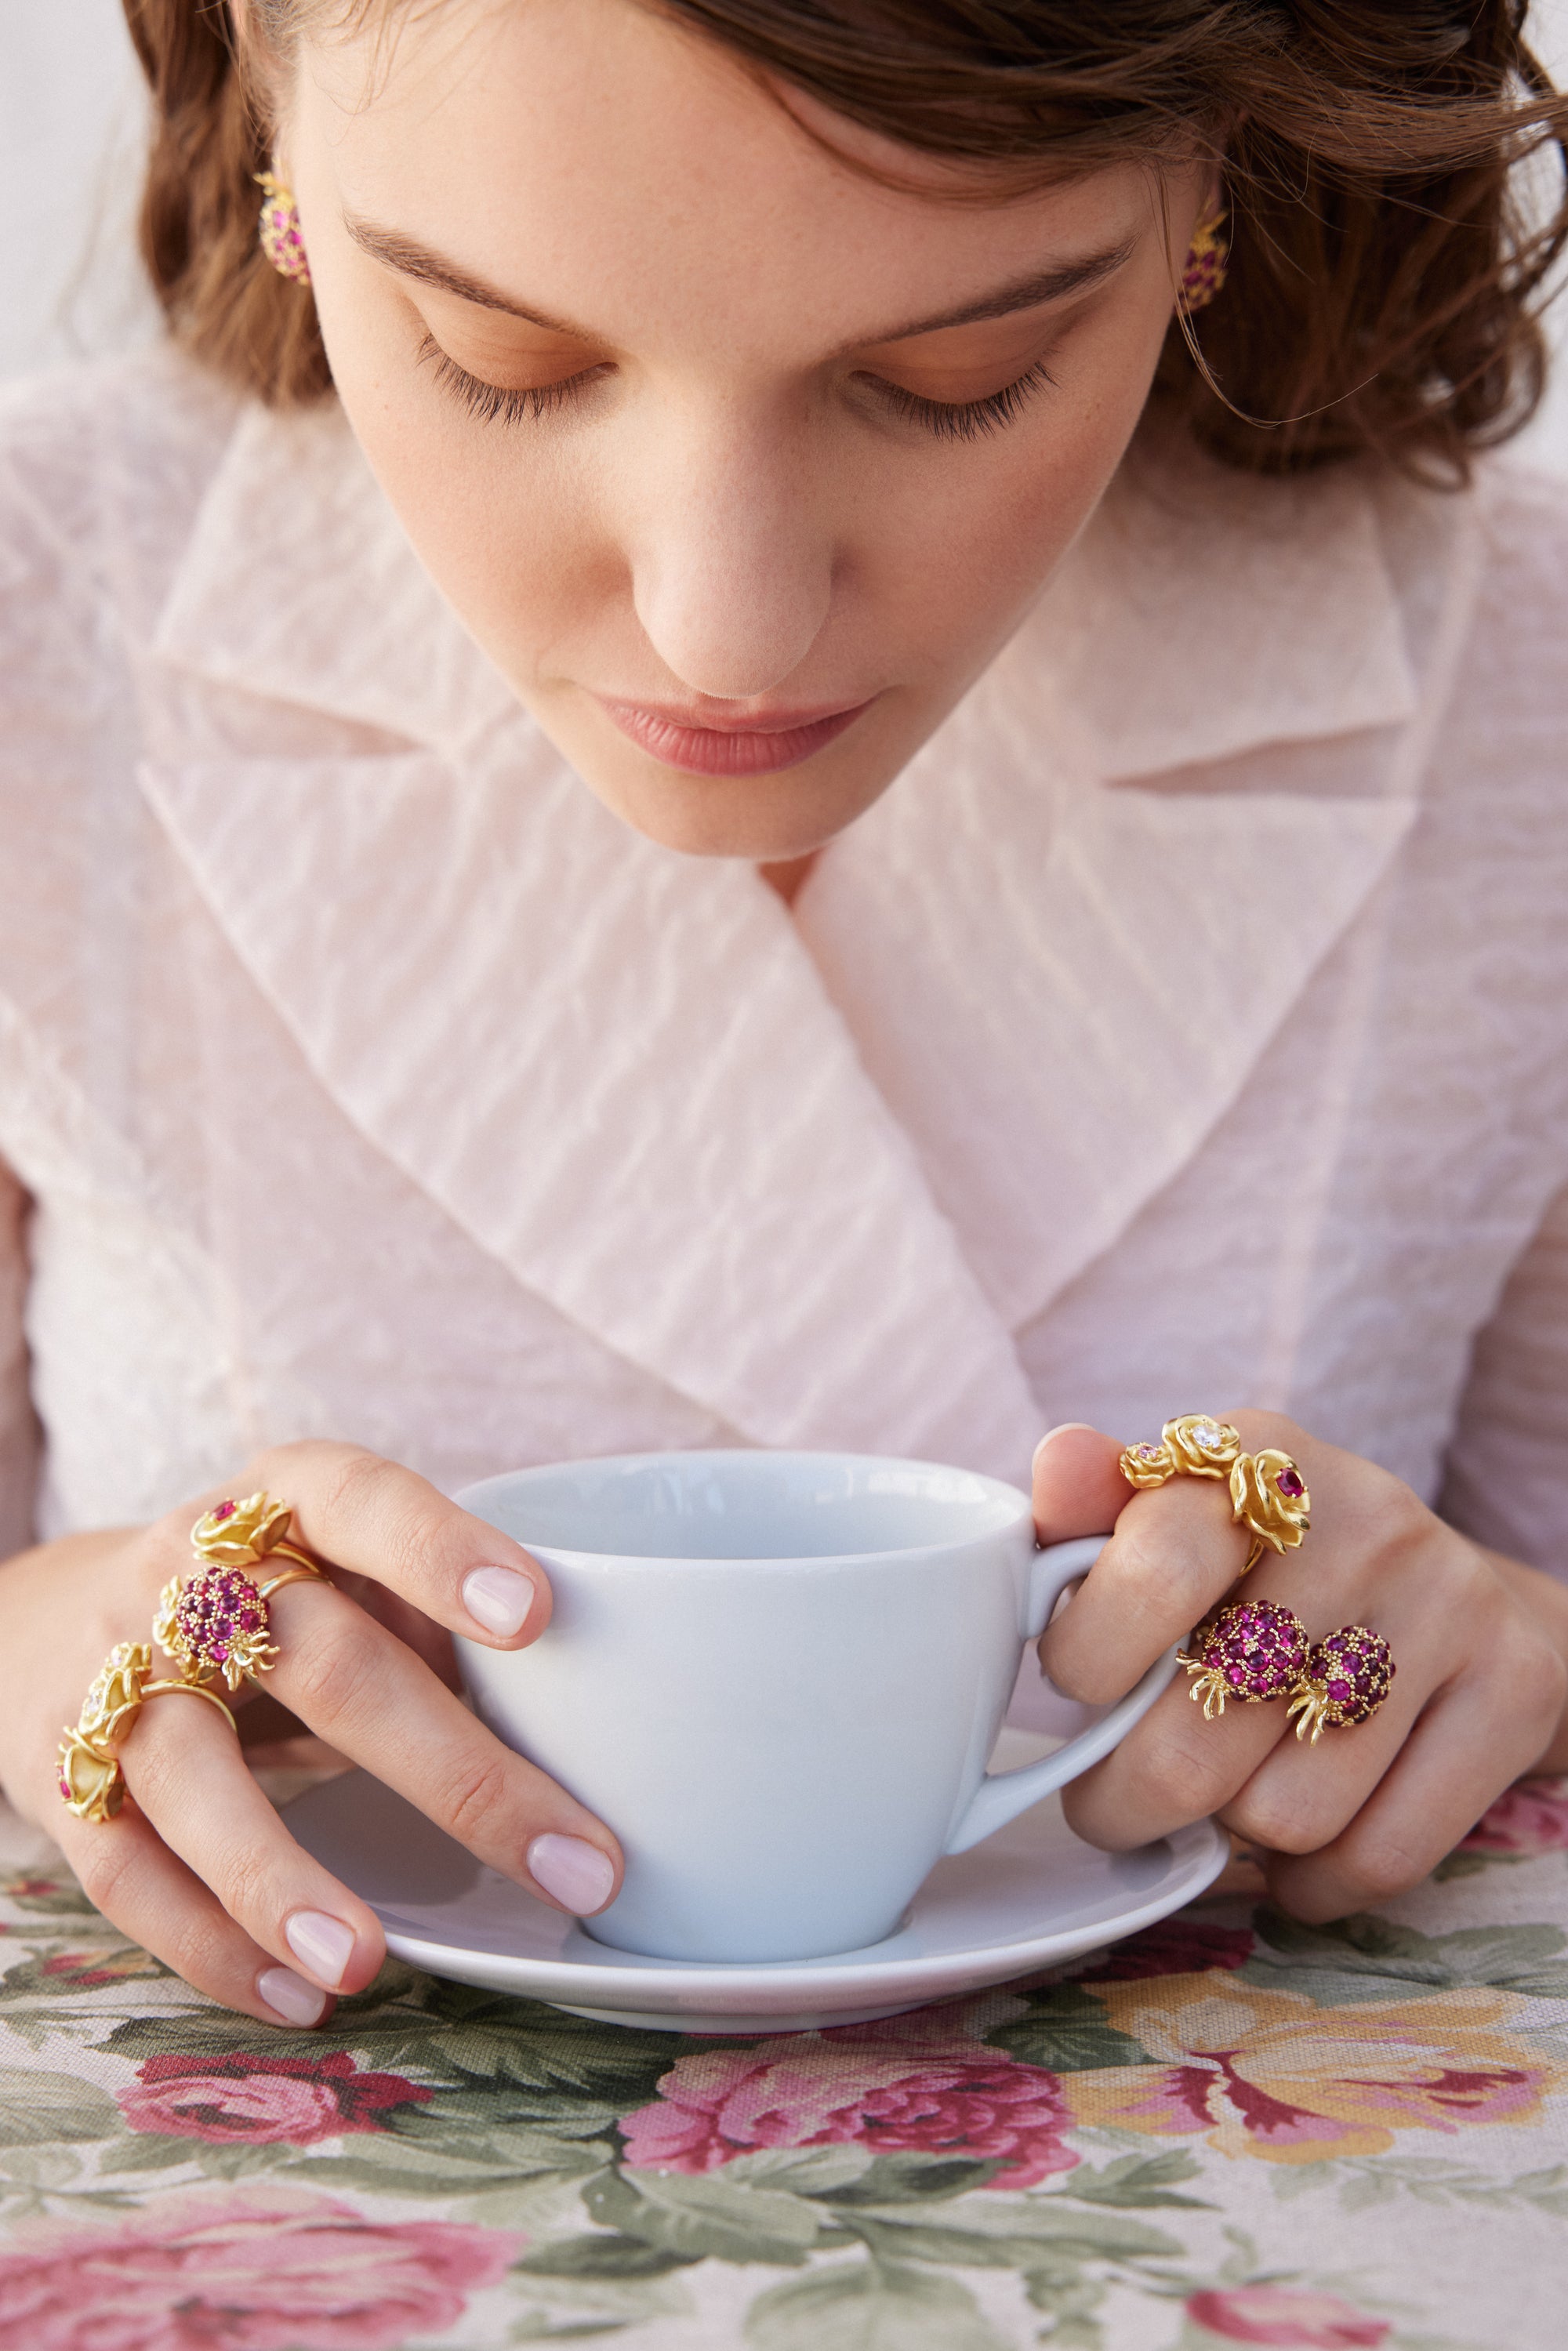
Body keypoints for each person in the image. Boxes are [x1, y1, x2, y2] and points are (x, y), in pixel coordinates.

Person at [2, 0, 1566, 2034]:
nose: (722, 628)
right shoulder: (41, 626)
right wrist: (41, 1643)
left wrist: (1508, 1644)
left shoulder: (1520, 700)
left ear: (1213, 189)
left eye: (959, 377)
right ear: (266, 100)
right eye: (504, 355)